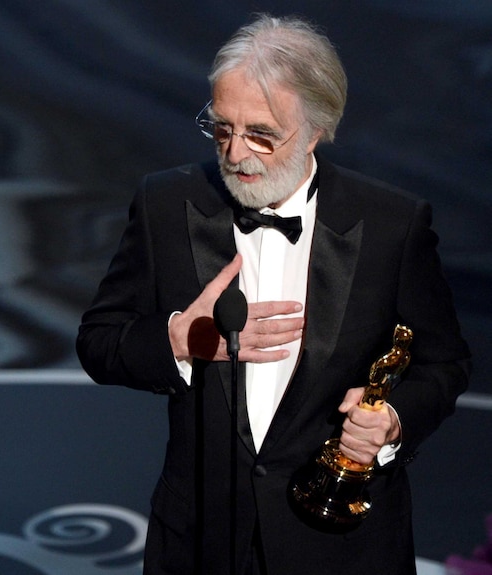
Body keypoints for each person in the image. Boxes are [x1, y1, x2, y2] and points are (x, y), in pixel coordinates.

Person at [76, 13, 471, 575]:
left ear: (315, 130)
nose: (236, 154)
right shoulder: (167, 203)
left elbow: (445, 363)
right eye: (221, 128)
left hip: (343, 545)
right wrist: (180, 341)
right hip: (201, 542)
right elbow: (98, 343)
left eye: (261, 133)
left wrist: (392, 422)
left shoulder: (391, 224)